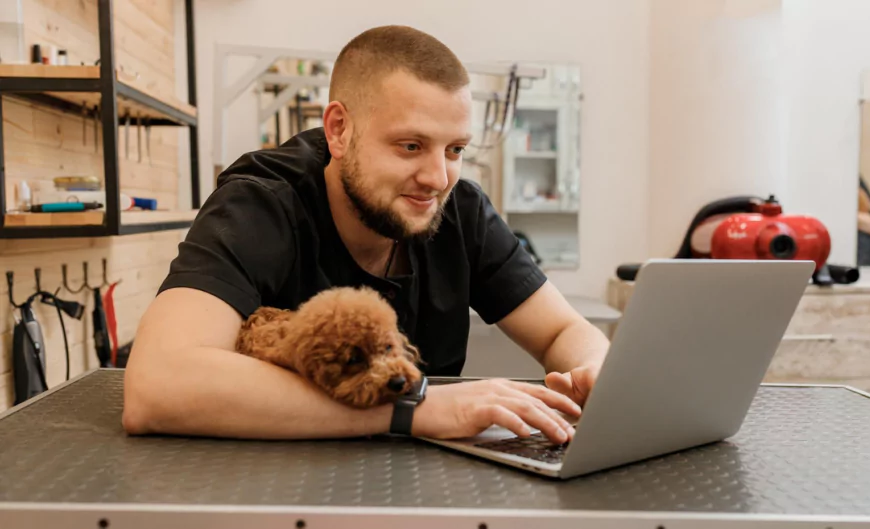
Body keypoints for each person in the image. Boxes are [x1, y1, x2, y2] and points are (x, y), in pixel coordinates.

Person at [122, 25, 610, 445]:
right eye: (411, 145)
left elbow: (564, 330)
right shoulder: (261, 203)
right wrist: (416, 412)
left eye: (456, 149)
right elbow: (157, 385)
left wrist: (596, 374)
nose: (438, 177)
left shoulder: (461, 209)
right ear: (338, 130)